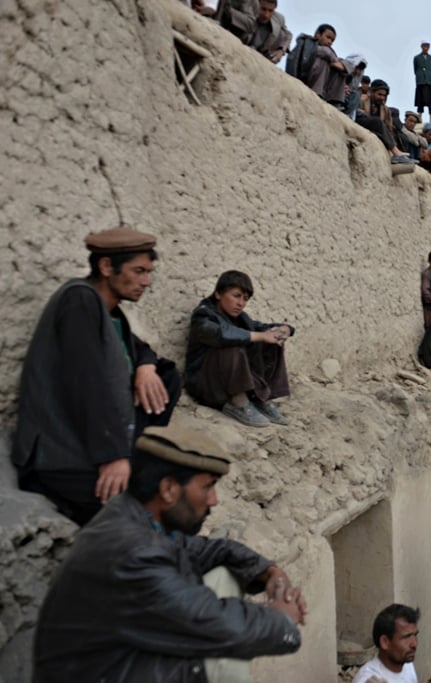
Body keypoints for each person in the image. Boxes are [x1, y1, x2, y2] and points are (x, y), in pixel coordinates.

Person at [33, 425, 305, 681]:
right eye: (207, 486)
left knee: (223, 574)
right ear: (168, 489)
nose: (214, 500)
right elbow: (216, 624)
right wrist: (281, 618)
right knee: (222, 644)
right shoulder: (133, 552)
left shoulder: (137, 517)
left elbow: (212, 550)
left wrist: (268, 573)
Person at [13, 226, 181, 526]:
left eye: (149, 272)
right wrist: (113, 457)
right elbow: (86, 383)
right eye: (139, 271)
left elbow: (140, 349)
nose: (147, 281)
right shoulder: (79, 301)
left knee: (167, 375)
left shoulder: (111, 313)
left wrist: (145, 366)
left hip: (89, 446)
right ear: (106, 266)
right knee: (152, 505)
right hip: (59, 458)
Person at [185, 270, 293, 428]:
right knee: (232, 344)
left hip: (227, 382)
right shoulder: (203, 315)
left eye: (245, 299)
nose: (241, 303)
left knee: (272, 340)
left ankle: (260, 398)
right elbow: (220, 334)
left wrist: (285, 329)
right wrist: (260, 336)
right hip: (206, 385)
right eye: (236, 296)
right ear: (218, 294)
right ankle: (239, 403)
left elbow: (260, 328)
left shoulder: (240, 317)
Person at [353, 604, 420, 683]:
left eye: (415, 635)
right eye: (406, 637)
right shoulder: (369, 678)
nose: (414, 644)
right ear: (385, 642)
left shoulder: (406, 663)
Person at [356, 80, 416, 163]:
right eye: (379, 94)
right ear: (372, 92)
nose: (382, 98)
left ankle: (398, 155)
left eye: (384, 95)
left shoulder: (386, 110)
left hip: (377, 134)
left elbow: (389, 128)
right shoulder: (361, 101)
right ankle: (396, 152)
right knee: (377, 121)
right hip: (362, 129)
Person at [413, 40, 431, 120]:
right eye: (424, 46)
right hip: (421, 81)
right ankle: (420, 116)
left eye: (427, 46)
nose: (425, 48)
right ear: (421, 47)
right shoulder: (416, 58)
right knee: (420, 98)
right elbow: (415, 70)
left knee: (430, 99)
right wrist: (420, 77)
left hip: (430, 81)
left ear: (429, 47)